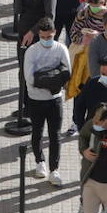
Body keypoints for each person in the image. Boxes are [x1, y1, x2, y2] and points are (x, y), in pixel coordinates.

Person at [23, 17, 71, 186]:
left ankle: (54, 169)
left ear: (55, 33)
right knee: (37, 132)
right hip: (36, 100)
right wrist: (53, 80)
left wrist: (46, 79)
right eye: (43, 37)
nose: (46, 40)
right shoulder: (32, 51)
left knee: (55, 135)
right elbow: (29, 78)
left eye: (49, 36)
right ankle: (39, 162)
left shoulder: (61, 49)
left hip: (55, 100)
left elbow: (67, 73)